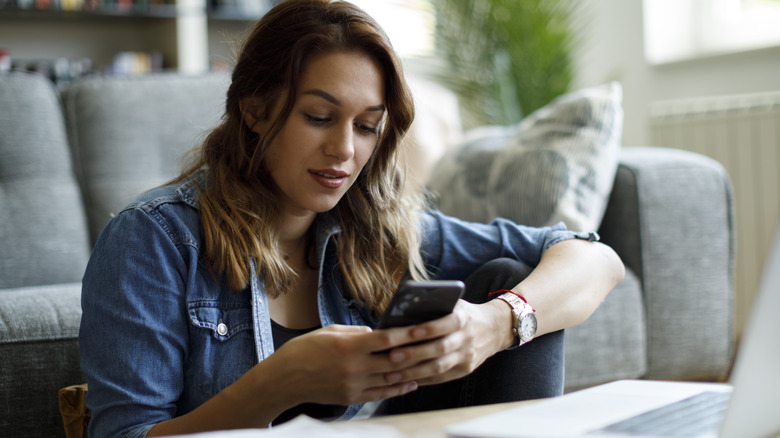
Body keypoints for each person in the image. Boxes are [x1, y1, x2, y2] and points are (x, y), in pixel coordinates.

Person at [78, 1, 625, 437]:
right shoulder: (155, 239)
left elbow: (593, 256)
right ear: (254, 107)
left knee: (506, 277)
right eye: (319, 117)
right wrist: (280, 384)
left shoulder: (378, 229)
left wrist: (496, 324)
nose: (343, 149)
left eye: (367, 126)